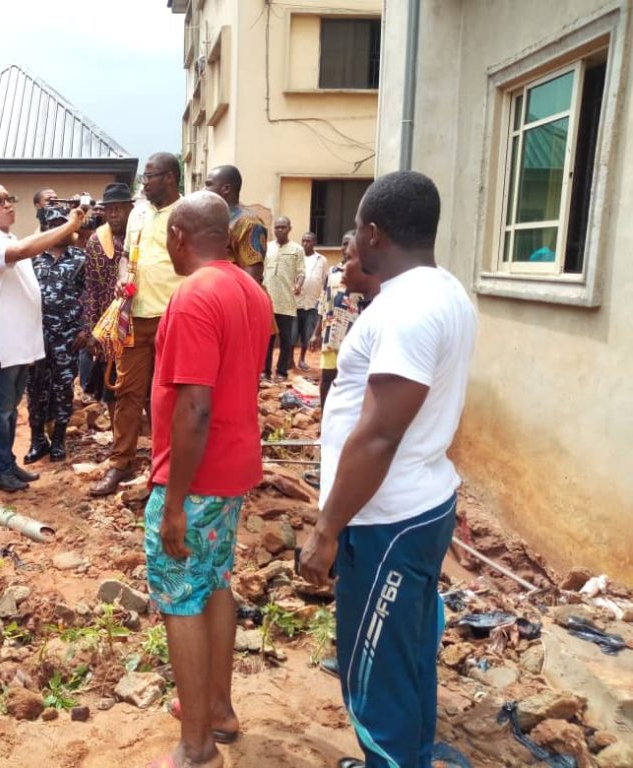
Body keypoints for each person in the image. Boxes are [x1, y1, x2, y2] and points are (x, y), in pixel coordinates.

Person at [299, 171, 476, 768]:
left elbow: (378, 434)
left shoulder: (408, 308)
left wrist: (326, 531)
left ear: (373, 232)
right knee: (407, 656)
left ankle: (394, 758)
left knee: (374, 676)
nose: (352, 239)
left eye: (354, 229)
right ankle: (408, 758)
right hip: (414, 505)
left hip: (387, 519)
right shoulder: (444, 290)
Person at [143, 192, 272, 768]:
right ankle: (218, 709)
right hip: (232, 469)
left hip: (195, 477)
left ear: (177, 237)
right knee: (215, 581)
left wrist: (172, 502)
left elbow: (194, 407)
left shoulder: (195, 295)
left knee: (180, 597)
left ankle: (196, 748)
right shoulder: (251, 290)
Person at [0, 183, 86, 492]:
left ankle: (6, 463)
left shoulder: (5, 236)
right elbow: (23, 252)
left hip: (17, 345)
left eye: (10, 198)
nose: (8, 204)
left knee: (9, 410)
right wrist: (71, 226)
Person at [91, 152, 183, 497]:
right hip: (134, 316)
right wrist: (120, 278)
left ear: (171, 177)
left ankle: (167, 466)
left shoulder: (187, 213)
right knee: (127, 392)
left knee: (168, 394)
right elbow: (127, 256)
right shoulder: (139, 212)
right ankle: (121, 462)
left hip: (172, 317)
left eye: (150, 176)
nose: (143, 183)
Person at [24, 208, 86, 463]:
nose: (59, 228)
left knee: (63, 388)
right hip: (36, 336)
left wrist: (86, 328)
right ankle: (37, 439)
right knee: (35, 388)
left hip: (68, 337)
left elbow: (90, 296)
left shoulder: (81, 258)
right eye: (53, 224)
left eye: (63, 223)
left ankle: (58, 439)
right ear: (46, 227)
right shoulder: (32, 258)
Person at [80, 182, 134, 405]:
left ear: (130, 209)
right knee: (110, 381)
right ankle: (116, 431)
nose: (114, 214)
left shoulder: (140, 237)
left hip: (137, 318)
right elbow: (91, 287)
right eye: (110, 208)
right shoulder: (96, 241)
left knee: (136, 378)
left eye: (119, 208)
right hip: (108, 322)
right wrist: (91, 329)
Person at [310, 231, 377, 408]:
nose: (346, 248)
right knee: (327, 378)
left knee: (348, 379)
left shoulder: (366, 276)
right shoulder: (332, 272)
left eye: (350, 245)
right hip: (331, 334)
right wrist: (316, 333)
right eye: (344, 243)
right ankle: (324, 416)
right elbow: (323, 304)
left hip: (352, 335)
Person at [203, 164, 266, 283]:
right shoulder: (216, 219)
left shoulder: (248, 222)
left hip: (233, 297)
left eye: (209, 184)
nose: (204, 189)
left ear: (226, 189)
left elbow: (252, 278)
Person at [261, 216, 306, 381]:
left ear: (289, 228)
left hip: (286, 302)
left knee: (286, 340)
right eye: (277, 227)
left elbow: (301, 272)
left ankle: (281, 372)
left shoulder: (297, 250)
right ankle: (265, 371)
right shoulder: (267, 248)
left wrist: (299, 284)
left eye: (283, 227)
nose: (279, 230)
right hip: (267, 302)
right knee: (267, 339)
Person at [296, 232, 326, 370]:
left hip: (312, 302)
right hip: (296, 301)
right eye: (303, 241)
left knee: (307, 333)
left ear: (314, 242)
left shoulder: (321, 260)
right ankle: (289, 360)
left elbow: (324, 280)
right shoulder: (296, 258)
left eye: (308, 241)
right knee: (292, 333)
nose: (305, 244)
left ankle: (301, 359)